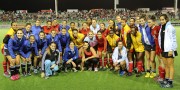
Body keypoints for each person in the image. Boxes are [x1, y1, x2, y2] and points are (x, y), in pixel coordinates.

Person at [158, 14, 178, 88]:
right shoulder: (161, 27)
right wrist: (161, 48)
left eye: (163, 19)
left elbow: (173, 39)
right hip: (164, 50)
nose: (161, 21)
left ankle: (170, 82)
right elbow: (161, 39)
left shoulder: (170, 27)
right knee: (166, 66)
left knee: (170, 66)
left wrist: (171, 50)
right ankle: (166, 80)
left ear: (166, 19)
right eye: (160, 19)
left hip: (169, 50)